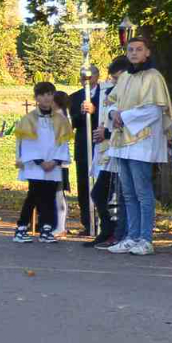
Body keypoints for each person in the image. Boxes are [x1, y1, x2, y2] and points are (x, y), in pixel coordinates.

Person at [106, 36, 172, 256]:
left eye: (138, 49)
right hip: (122, 140)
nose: (134, 53)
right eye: (130, 49)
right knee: (127, 192)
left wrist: (123, 116)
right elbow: (111, 102)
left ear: (147, 53)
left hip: (142, 141)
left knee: (143, 192)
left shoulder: (153, 77)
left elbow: (155, 110)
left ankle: (145, 238)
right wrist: (113, 113)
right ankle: (131, 236)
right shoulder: (125, 76)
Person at [12, 82, 73, 243]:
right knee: (33, 196)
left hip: (53, 165)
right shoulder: (29, 119)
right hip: (35, 166)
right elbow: (27, 144)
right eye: (43, 95)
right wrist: (40, 161)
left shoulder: (60, 119)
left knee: (50, 196)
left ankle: (47, 228)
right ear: (37, 97)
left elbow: (63, 143)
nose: (47, 98)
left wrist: (55, 161)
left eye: (50, 94)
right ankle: (21, 227)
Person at [83, 56, 128, 248]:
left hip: (125, 148)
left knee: (118, 195)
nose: (114, 82)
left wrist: (107, 132)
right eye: (113, 78)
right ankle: (108, 229)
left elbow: (129, 123)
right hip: (110, 150)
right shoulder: (108, 92)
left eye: (118, 78)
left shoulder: (132, 92)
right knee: (100, 193)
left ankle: (118, 232)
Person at [68, 66, 103, 234]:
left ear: (97, 76)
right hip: (83, 146)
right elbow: (72, 123)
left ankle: (105, 223)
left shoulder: (107, 94)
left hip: (102, 144)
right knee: (83, 185)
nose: (86, 80)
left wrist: (94, 112)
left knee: (102, 184)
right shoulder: (74, 98)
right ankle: (88, 223)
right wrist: (82, 113)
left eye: (89, 76)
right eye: (82, 78)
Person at [51, 90, 72, 235]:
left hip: (57, 160)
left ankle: (61, 226)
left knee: (59, 194)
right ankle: (55, 224)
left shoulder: (61, 117)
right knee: (54, 194)